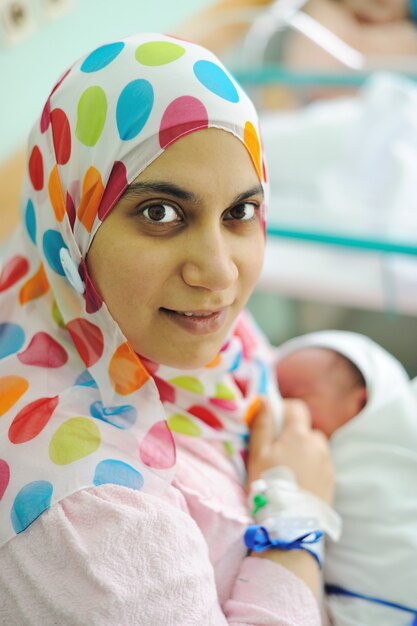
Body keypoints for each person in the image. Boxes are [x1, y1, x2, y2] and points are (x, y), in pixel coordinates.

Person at [0, 33, 335, 625]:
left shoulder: (163, 329)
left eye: (241, 212)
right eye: (160, 213)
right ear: (70, 226)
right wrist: (294, 518)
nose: (218, 270)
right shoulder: (89, 509)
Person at [275, 330, 417, 625]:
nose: (283, 410)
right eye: (275, 395)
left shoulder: (391, 444)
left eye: (297, 398)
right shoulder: (301, 452)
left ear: (360, 402)